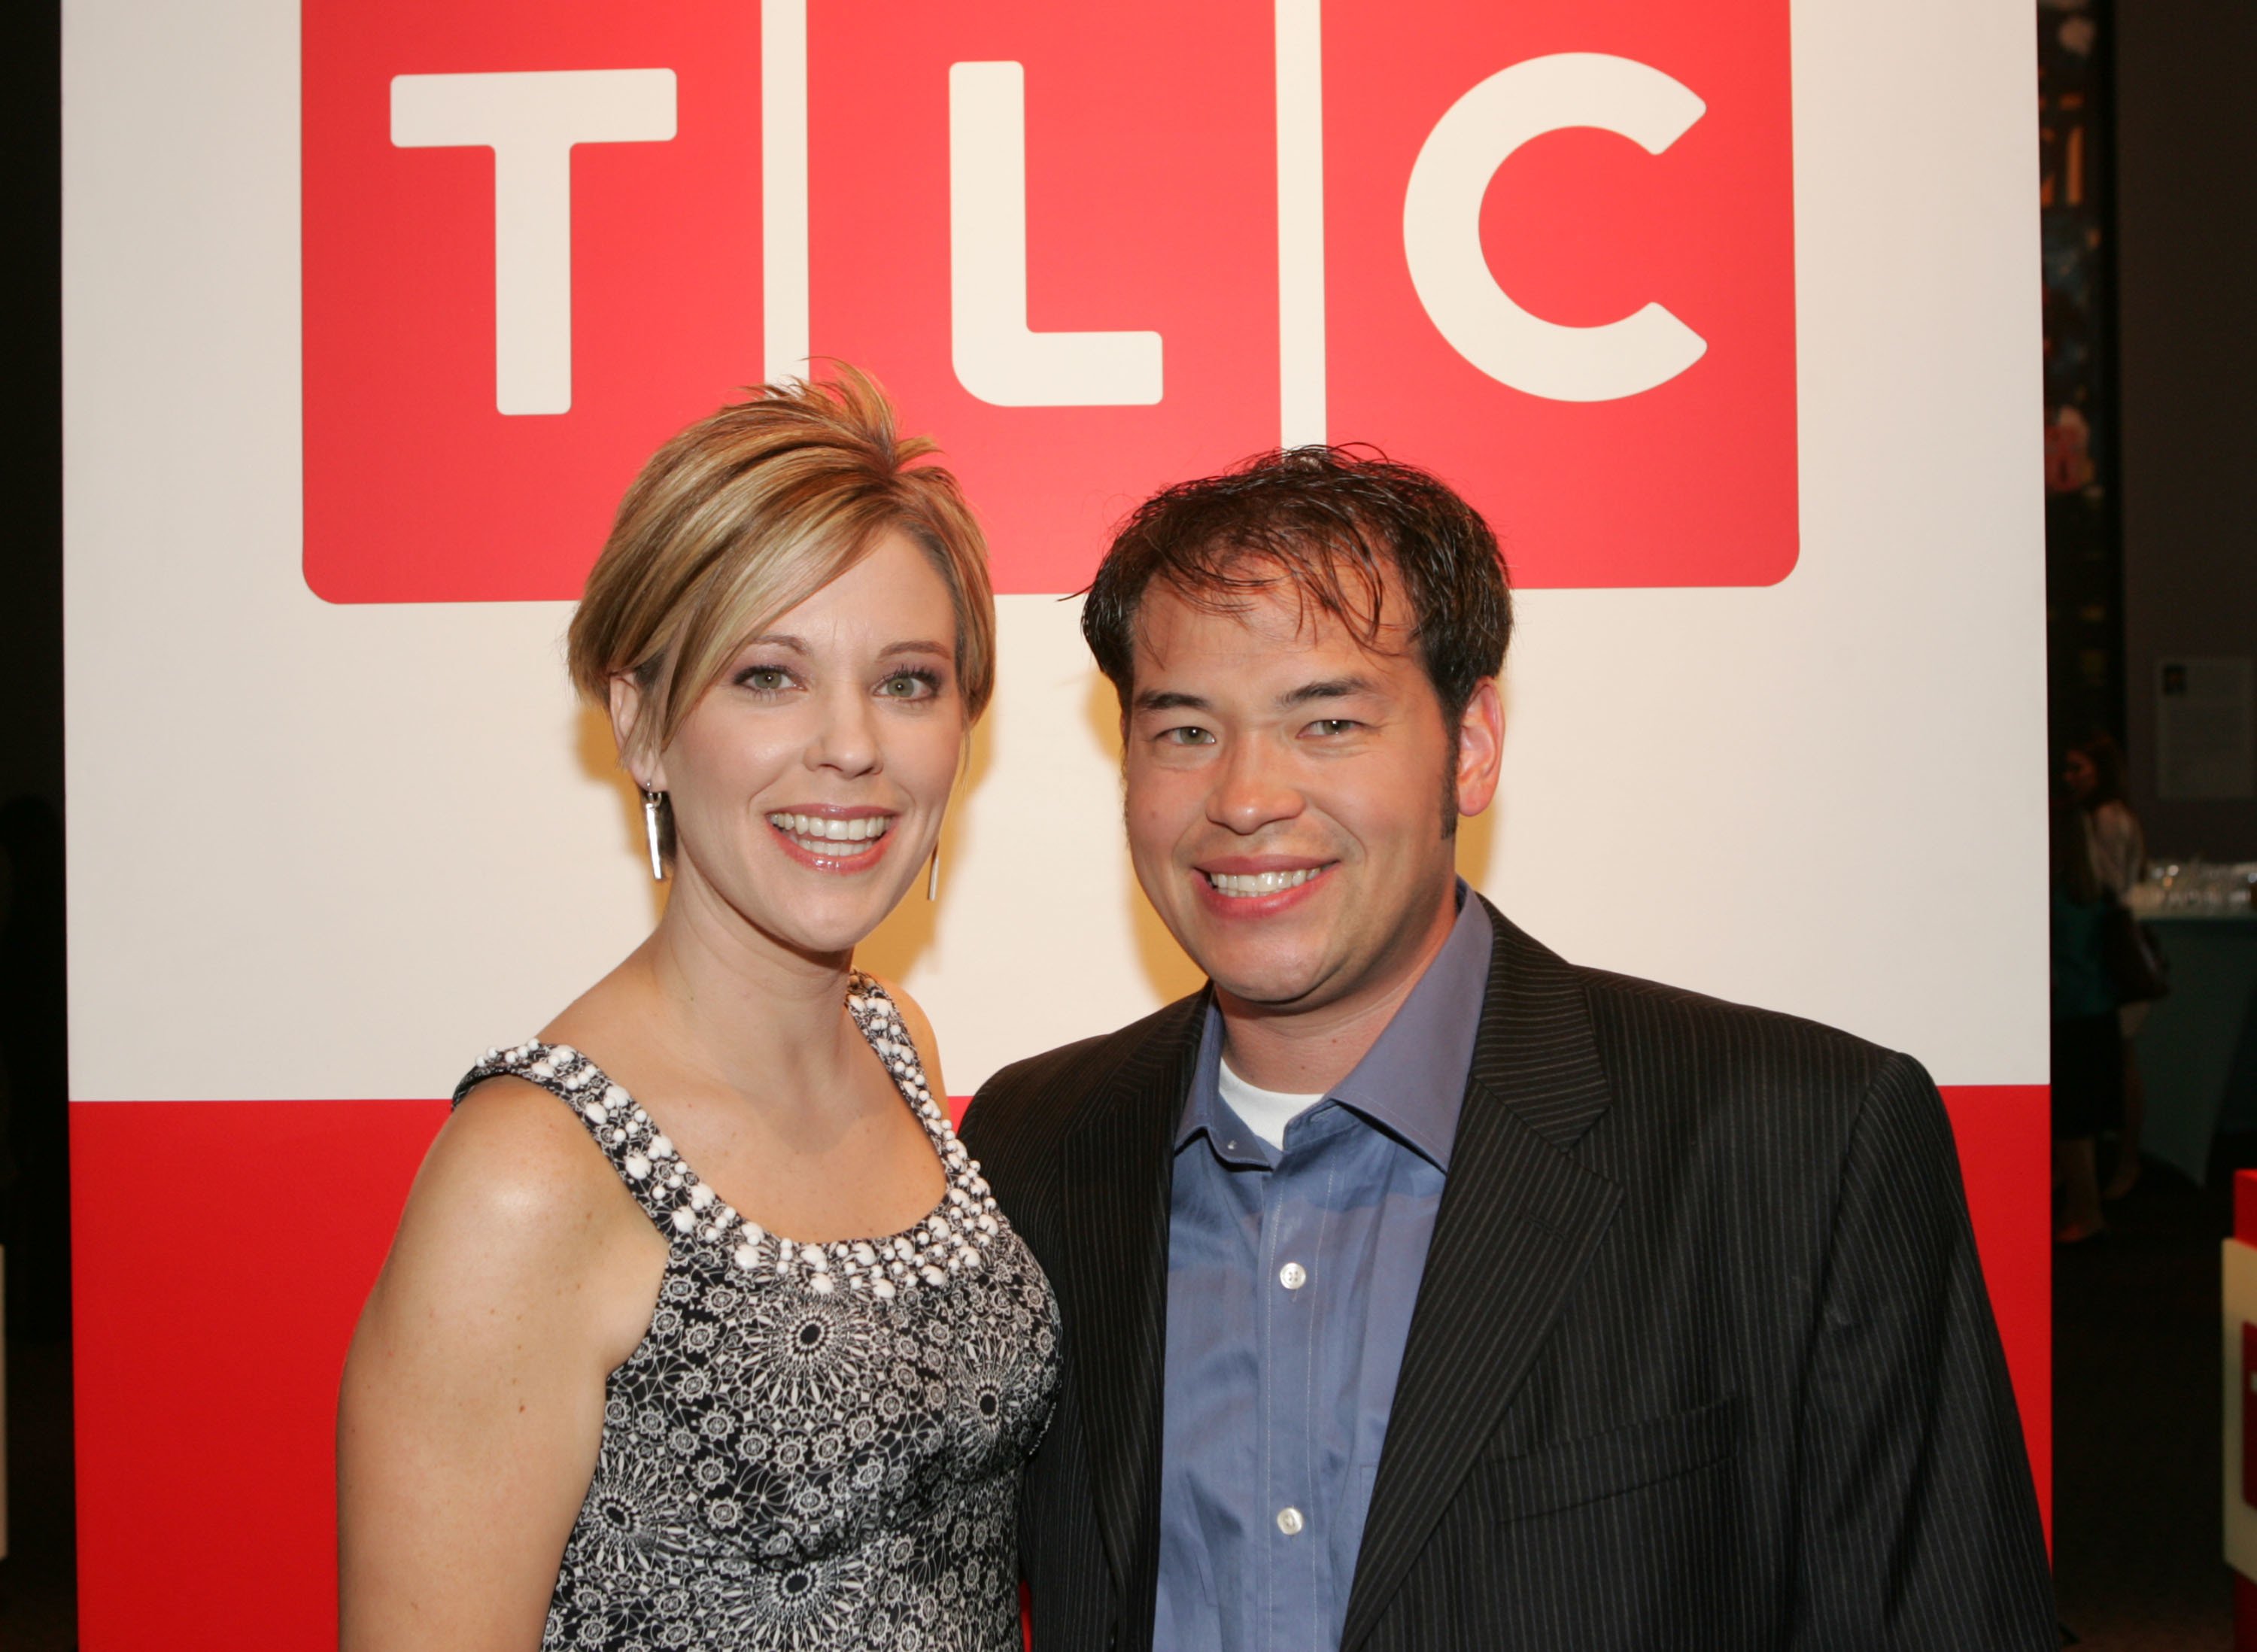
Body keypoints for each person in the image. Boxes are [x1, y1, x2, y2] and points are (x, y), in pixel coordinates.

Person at [961, 448, 2054, 1651]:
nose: (1246, 795)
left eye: (1326, 720)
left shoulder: (1799, 1143)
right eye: (1183, 731)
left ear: (1470, 745)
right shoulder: (1031, 1146)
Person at [339, 373, 1059, 1651]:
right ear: (642, 723)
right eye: (769, 674)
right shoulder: (533, 1174)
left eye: (907, 681)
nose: (852, 746)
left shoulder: (894, 1045)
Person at [2065, 730, 2149, 1198]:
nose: (2072, 777)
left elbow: (2111, 886)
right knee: (2117, 1064)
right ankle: (2115, 1164)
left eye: (2081, 768)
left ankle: (2125, 1163)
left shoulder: (2105, 818)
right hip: (2104, 959)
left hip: (2109, 959)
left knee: (2122, 1064)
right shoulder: (2106, 816)